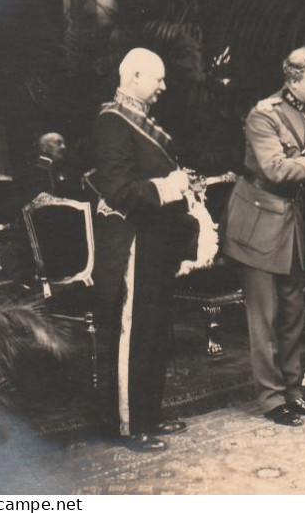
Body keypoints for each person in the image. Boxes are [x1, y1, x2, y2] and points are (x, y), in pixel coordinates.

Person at [221, 47, 305, 426]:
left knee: (293, 315)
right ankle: (271, 399)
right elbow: (276, 168)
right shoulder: (263, 115)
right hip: (258, 224)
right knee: (264, 318)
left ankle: (294, 394)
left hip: (291, 222)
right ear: (294, 80)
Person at [88, 48, 196, 452]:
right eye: (158, 79)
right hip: (132, 242)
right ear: (134, 76)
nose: (164, 86)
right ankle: (130, 425)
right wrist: (170, 187)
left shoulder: (141, 123)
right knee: (135, 331)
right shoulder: (111, 123)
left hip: (156, 241)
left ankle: (150, 415)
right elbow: (118, 190)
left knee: (154, 329)